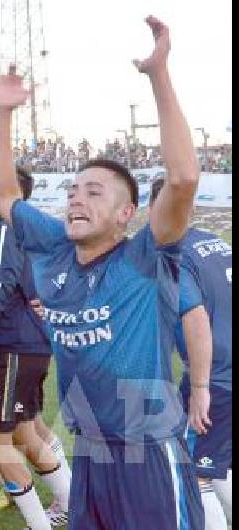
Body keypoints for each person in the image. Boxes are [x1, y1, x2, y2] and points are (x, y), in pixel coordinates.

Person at [0, 17, 204, 528]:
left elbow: (184, 177)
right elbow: (1, 197)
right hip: (90, 450)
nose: (77, 198)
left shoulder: (143, 257)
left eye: (94, 192)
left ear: (127, 215)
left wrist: (158, 75)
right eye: (73, 190)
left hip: (148, 450)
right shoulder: (55, 246)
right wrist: (2, 114)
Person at [0, 174, 71, 530]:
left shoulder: (8, 229)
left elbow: (1, 285)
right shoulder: (2, 234)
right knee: (25, 435)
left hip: (10, 348)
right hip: (22, 346)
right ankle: (73, 507)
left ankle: (41, 523)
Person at [150, 179, 233, 529]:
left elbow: (193, 315)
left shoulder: (174, 255)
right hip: (223, 371)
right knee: (219, 462)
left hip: (214, 376)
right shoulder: (217, 243)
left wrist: (199, 386)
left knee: (193, 468)